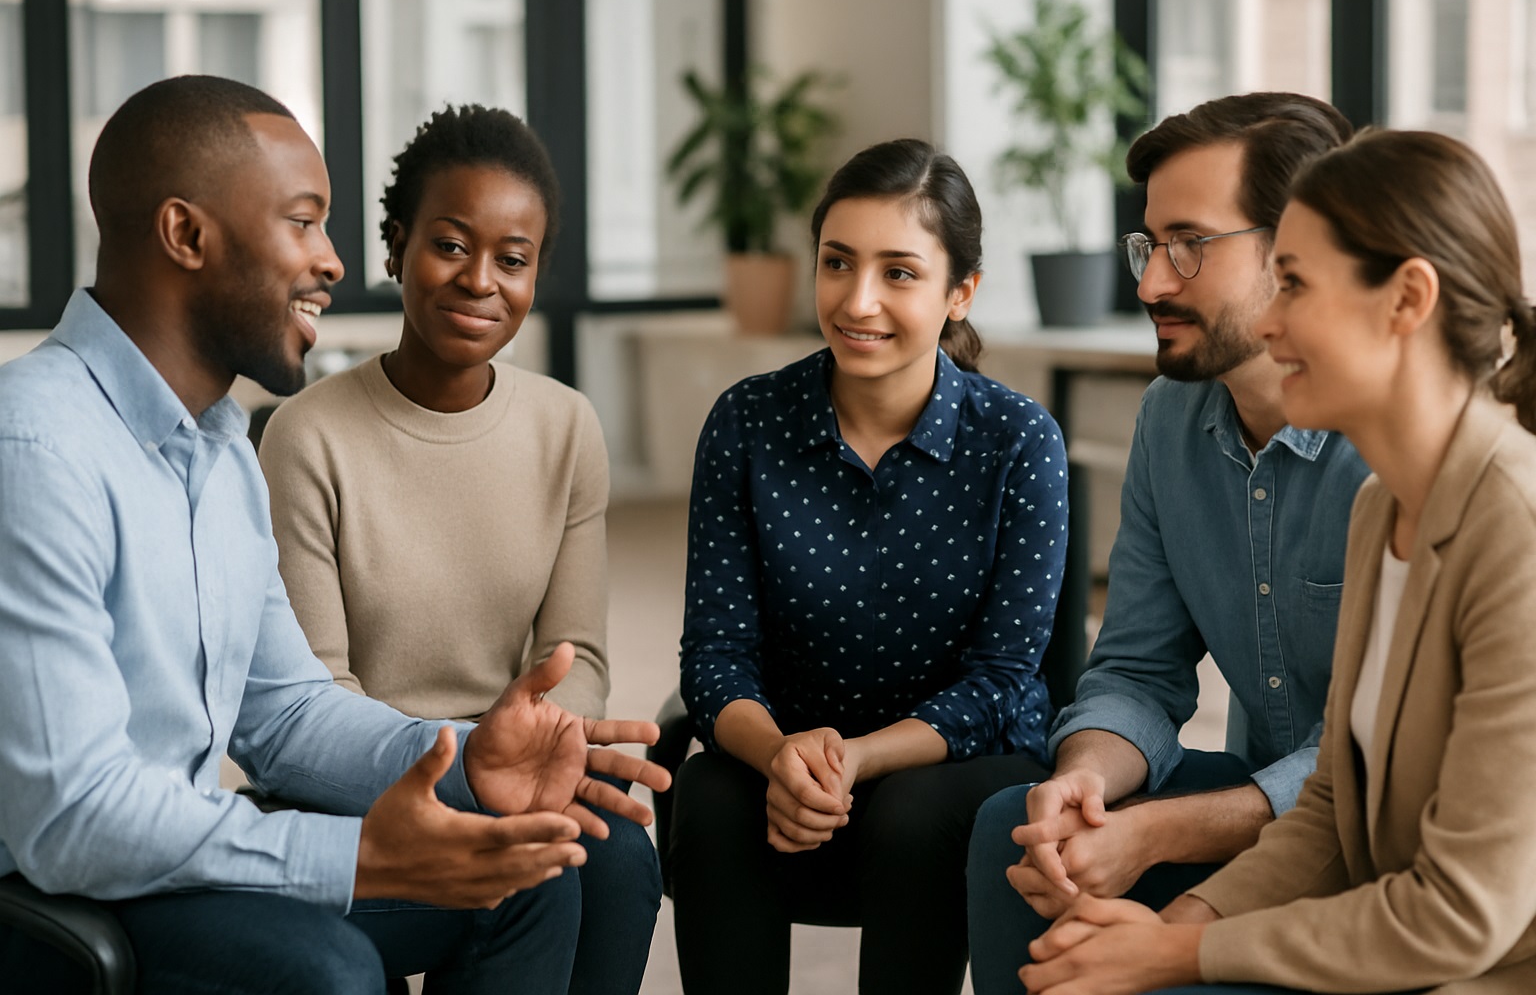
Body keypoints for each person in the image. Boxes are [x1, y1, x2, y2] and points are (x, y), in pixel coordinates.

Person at [0, 75, 669, 995]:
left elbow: (285, 712)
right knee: (331, 970)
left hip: (175, 857)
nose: (332, 262)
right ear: (186, 235)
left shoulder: (222, 452)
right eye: (303, 223)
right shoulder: (35, 445)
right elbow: (74, 817)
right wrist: (356, 855)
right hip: (53, 895)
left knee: (528, 880)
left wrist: (465, 759)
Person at [1021, 128, 1536, 995]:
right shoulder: (1388, 508)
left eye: (1293, 285)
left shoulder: (1515, 527)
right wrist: (1161, 933)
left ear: (1407, 299)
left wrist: (1177, 953)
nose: (1267, 320)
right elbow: (1334, 804)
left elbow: (1462, 915)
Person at [966, 92, 1371, 993]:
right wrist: (1088, 786)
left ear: (1296, 248)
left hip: (1390, 839)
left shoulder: (1389, 447)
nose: (1150, 285)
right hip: (1271, 812)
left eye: (1190, 244)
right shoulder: (1170, 418)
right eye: (1149, 246)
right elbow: (1139, 670)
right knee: (1018, 835)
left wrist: (1160, 834)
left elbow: (1379, 762)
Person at [257, 103, 661, 995]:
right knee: (535, 872)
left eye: (512, 260)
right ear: (395, 246)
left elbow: (578, 655)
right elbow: (312, 696)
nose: (480, 280)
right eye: (450, 244)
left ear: (535, 276)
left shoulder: (566, 427)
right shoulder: (305, 436)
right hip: (358, 782)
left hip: (522, 759)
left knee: (622, 855)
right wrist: (470, 764)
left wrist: (551, 742)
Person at [668, 138, 1065, 995]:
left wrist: (858, 759)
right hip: (792, 757)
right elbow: (715, 655)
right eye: (837, 263)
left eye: (899, 273)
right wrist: (780, 754)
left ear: (961, 292)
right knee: (704, 797)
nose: (858, 301)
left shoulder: (1019, 440)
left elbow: (1001, 678)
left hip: (954, 766)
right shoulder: (747, 422)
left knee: (914, 815)